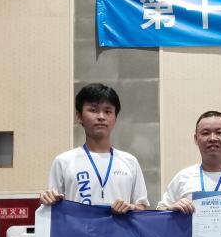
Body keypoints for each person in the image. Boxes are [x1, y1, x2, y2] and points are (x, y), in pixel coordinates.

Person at [40, 83, 150, 213]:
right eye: (93, 110)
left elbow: (142, 206)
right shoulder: (63, 161)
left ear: (115, 118)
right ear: (79, 116)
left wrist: (131, 208)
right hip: (78, 227)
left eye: (108, 111)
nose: (101, 117)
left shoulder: (130, 162)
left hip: (120, 227)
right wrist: (48, 199)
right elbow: (52, 207)